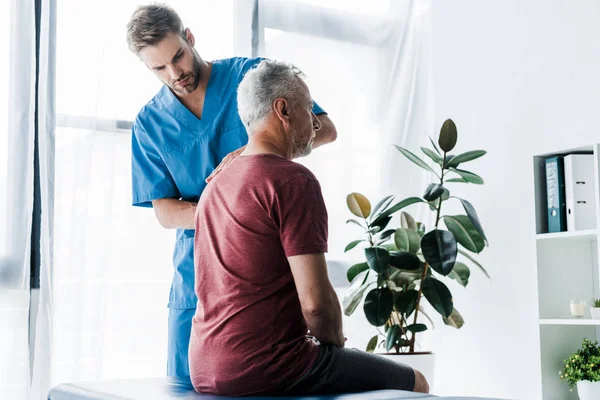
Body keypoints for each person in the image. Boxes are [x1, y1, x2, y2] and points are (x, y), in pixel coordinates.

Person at [190, 59, 429, 396]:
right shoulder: (293, 180)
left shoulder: (215, 184)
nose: (316, 123)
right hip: (266, 366)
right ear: (283, 110)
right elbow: (316, 303)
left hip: (203, 366)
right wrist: (336, 345)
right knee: (414, 381)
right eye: (307, 109)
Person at [125, 4, 337, 378]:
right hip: (195, 282)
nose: (176, 73)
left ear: (190, 38)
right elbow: (164, 211)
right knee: (187, 385)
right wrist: (227, 210)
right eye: (159, 68)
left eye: (178, 56)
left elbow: (325, 128)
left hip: (261, 273)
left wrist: (252, 151)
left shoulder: (250, 77)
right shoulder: (149, 124)